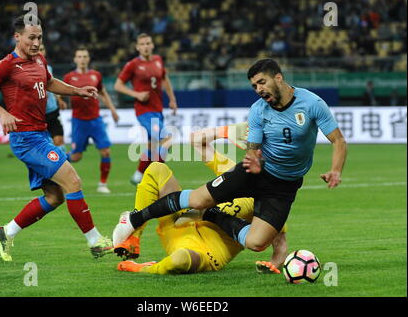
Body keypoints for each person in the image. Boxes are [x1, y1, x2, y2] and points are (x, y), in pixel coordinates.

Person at [113, 58, 347, 258]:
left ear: (278, 78)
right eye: (254, 86)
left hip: (285, 185)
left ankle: (212, 215)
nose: (259, 89)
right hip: (255, 172)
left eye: (262, 82)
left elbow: (338, 141)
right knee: (196, 200)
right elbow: (253, 146)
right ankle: (134, 219)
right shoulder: (258, 109)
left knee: (256, 243)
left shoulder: (312, 104)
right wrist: (253, 159)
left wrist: (335, 170)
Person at [0, 15, 113, 261]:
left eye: (39, 38)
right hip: (26, 139)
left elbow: (49, 82)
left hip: (41, 135)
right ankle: (95, 242)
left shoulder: (39, 60)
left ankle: (5, 232)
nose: (36, 43)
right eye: (31, 38)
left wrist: (77, 91)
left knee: (55, 197)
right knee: (73, 180)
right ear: (18, 37)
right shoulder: (6, 65)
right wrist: (2, 112)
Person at [115, 122, 287, 274]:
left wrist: (273, 264)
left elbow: (279, 246)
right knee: (156, 169)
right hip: (179, 221)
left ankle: (142, 268)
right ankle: (133, 237)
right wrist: (226, 131)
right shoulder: (236, 173)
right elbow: (197, 140)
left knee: (180, 260)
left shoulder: (271, 201)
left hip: (205, 250)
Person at [114, 33, 178, 185]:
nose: (145, 46)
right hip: (144, 111)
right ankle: (158, 175)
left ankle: (138, 176)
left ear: (152, 45)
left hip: (158, 109)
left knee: (151, 145)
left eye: (148, 43)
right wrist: (135, 94)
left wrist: (172, 99)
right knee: (167, 139)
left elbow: (164, 79)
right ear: (137, 47)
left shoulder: (158, 60)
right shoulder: (132, 65)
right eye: (142, 44)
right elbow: (118, 85)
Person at [63, 47, 119, 194]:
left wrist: (112, 110)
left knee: (106, 151)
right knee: (76, 156)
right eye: (79, 56)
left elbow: (103, 93)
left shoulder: (96, 75)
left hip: (96, 120)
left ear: (88, 59)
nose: (82, 59)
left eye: (85, 56)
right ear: (75, 59)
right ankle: (57, 160)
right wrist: (59, 101)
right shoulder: (69, 77)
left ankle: (102, 184)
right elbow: (59, 92)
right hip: (79, 122)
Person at [38, 43, 66, 152]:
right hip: (38, 115)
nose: (41, 51)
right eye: (39, 49)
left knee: (59, 141)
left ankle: (62, 168)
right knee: (43, 146)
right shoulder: (27, 70)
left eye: (42, 49)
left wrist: (59, 99)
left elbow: (52, 85)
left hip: (52, 111)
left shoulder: (48, 68)